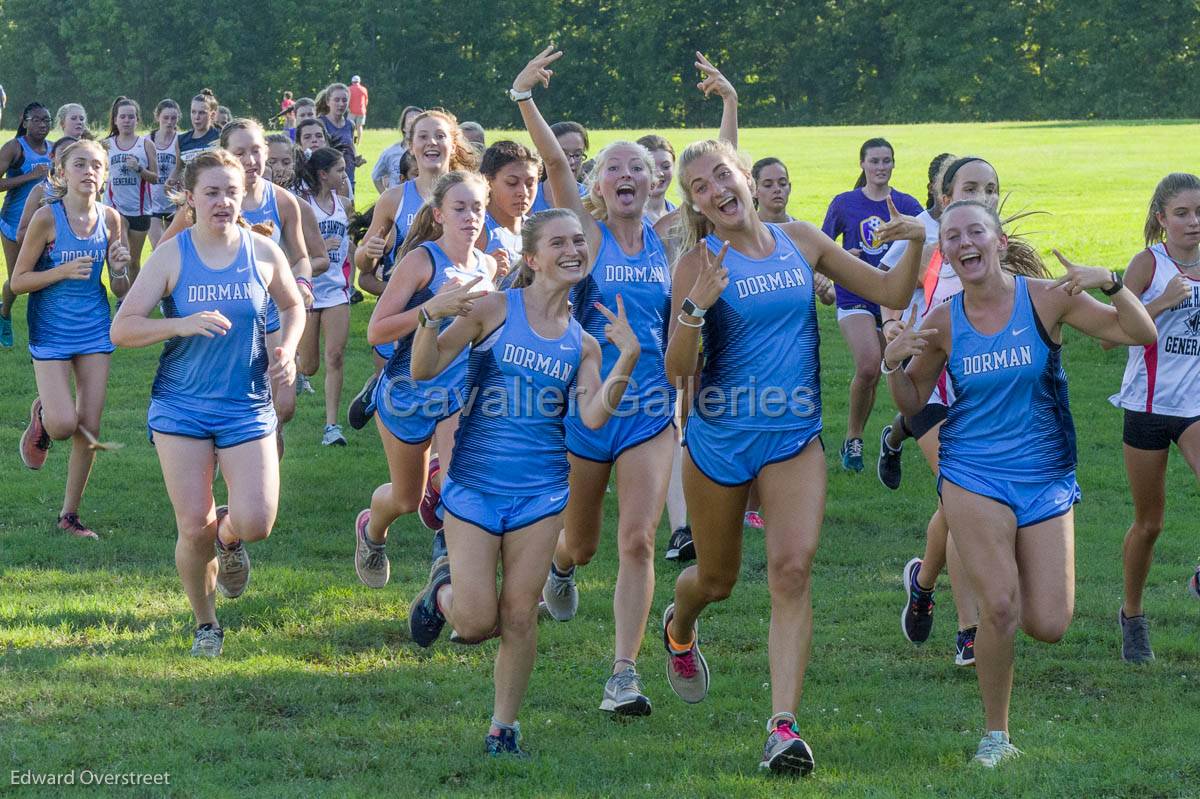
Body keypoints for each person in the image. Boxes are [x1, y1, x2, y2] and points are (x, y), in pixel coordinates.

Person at [661, 136, 928, 775]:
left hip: (793, 438)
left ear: (747, 177)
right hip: (720, 442)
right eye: (699, 187)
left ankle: (783, 729)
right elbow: (678, 372)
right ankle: (679, 624)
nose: (715, 191)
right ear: (694, 203)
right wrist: (698, 305)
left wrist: (916, 237)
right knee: (716, 580)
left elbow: (891, 290)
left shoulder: (801, 241)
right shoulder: (696, 262)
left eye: (721, 175)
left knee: (791, 570)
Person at [883, 199, 1156, 766]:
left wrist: (1109, 281)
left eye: (975, 232)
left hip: (1045, 475)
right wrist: (894, 364)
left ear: (999, 242)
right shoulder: (941, 321)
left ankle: (964, 591)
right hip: (972, 474)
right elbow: (913, 405)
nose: (964, 244)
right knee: (1001, 607)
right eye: (952, 236)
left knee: (1049, 623)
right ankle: (995, 737)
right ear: (947, 254)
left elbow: (1139, 331)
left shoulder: (1046, 299)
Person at [516, 47, 739, 719]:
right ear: (597, 184)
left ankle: (622, 673)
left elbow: (724, 176)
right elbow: (555, 165)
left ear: (652, 183)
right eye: (613, 167)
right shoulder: (582, 234)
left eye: (636, 168)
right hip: (588, 409)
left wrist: (730, 105)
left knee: (638, 539)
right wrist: (524, 97)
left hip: (650, 409)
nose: (626, 175)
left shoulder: (672, 237)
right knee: (579, 543)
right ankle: (560, 566)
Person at [404, 209, 640, 756]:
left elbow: (595, 417)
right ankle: (441, 594)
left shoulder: (584, 344)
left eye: (579, 241)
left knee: (519, 613)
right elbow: (425, 368)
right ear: (532, 258)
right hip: (474, 488)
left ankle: (503, 728)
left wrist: (626, 356)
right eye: (558, 242)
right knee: (476, 622)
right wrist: (427, 318)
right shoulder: (492, 310)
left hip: (542, 493)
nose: (573, 249)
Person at [110, 148, 304, 658]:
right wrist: (180, 323)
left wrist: (287, 346)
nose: (222, 202)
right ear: (190, 197)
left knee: (258, 521)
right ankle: (206, 624)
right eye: (211, 192)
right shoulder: (173, 255)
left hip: (246, 403)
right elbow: (124, 328)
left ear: (244, 197)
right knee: (193, 528)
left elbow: (292, 303)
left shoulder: (262, 251)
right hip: (182, 408)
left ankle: (232, 537)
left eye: (231, 192)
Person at [353, 170, 496, 590]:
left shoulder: (487, 265)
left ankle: (451, 582)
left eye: (478, 208)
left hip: (456, 395)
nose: (470, 216)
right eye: (460, 208)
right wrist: (434, 308)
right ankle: (371, 531)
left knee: (459, 486)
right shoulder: (421, 261)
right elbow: (376, 331)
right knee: (404, 498)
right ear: (438, 214)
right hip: (405, 395)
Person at [161, 119, 321, 456]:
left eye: (256, 151)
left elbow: (302, 257)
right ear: (225, 154)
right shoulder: (202, 203)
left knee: (285, 404)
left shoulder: (282, 201)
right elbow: (163, 257)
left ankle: (258, 465)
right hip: (220, 313)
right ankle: (230, 466)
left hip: (272, 311)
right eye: (240, 152)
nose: (250, 160)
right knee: (237, 404)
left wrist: (301, 282)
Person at [12, 138, 131, 538]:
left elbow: (120, 289)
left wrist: (118, 269)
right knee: (64, 424)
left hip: (95, 327)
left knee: (89, 427)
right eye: (79, 165)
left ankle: (69, 515)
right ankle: (44, 417)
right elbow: (18, 280)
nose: (89, 172)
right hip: (51, 329)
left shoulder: (112, 219)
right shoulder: (48, 217)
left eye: (96, 165)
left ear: (104, 174)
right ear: (62, 173)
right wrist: (60, 271)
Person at [1109, 172, 1200, 663]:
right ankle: (1132, 615)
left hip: (1196, 407)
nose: (1193, 222)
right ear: (1161, 218)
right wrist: (1162, 302)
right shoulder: (1148, 263)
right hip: (1147, 405)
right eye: (1182, 213)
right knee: (1150, 524)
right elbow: (1108, 335)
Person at [349, 109, 477, 432]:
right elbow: (365, 270)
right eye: (423, 136)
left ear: (454, 143)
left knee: (447, 426)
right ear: (410, 145)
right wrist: (367, 252)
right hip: (400, 319)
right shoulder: (394, 199)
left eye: (440, 136)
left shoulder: (470, 194)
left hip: (452, 321)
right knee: (405, 415)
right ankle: (378, 387)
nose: (432, 143)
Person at [821, 138, 924, 472]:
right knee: (869, 365)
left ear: (894, 165)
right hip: (854, 294)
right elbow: (822, 247)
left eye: (886, 161)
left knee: (895, 369)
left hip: (893, 297)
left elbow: (930, 241)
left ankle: (900, 435)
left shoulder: (907, 203)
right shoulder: (845, 203)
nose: (881, 167)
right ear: (862, 165)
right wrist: (842, 259)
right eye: (874, 161)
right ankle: (853, 440)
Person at [297, 146, 354, 446]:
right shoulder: (302, 204)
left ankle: (332, 426)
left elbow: (351, 247)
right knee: (310, 365)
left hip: (335, 290)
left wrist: (352, 278)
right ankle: (295, 369)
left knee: (335, 356)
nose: (344, 175)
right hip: (308, 289)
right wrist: (318, 246)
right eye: (340, 170)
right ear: (323, 174)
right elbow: (291, 247)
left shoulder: (345, 204)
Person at [0, 102, 54, 347]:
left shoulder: (53, 150)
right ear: (25, 121)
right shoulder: (14, 148)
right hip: (13, 224)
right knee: (17, 282)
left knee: (42, 278)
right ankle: (4, 312)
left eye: (46, 120)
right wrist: (30, 177)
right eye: (37, 119)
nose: (42, 124)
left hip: (43, 225)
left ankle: (42, 335)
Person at [103, 97, 158, 285]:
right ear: (116, 120)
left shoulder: (145, 144)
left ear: (137, 120)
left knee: (133, 261)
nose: (127, 121)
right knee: (117, 257)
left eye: (131, 117)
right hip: (113, 208)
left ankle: (131, 300)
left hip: (140, 210)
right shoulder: (106, 145)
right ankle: (120, 297)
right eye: (123, 117)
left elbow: (155, 177)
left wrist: (139, 169)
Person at [476, 140, 539, 284]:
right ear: (488, 181)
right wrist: (486, 269)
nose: (523, 192)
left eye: (530, 183)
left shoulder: (537, 229)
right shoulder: (477, 228)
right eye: (512, 183)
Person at [148, 100, 182, 247]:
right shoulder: (147, 141)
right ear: (157, 117)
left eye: (173, 118)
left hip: (174, 201)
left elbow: (185, 167)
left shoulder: (181, 140)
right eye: (165, 118)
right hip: (152, 202)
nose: (169, 122)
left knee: (172, 247)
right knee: (158, 247)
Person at [318, 83, 363, 188]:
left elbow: (350, 145)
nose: (341, 104)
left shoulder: (350, 124)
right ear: (328, 102)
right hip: (328, 179)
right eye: (337, 100)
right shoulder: (320, 123)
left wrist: (356, 158)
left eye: (344, 100)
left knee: (348, 204)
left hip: (348, 177)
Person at [371, 105, 423, 192]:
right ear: (403, 127)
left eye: (418, 122)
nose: (415, 126)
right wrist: (385, 197)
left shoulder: (429, 154)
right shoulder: (390, 153)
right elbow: (376, 176)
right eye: (411, 122)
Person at [172, 90, 221, 178]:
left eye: (201, 113)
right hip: (189, 190)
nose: (196, 117)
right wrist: (170, 181)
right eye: (193, 112)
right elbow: (178, 169)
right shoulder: (181, 140)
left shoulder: (220, 136)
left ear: (212, 115)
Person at [638, 134, 677, 224]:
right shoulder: (626, 218)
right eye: (651, 167)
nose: (659, 173)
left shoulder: (680, 216)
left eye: (666, 166)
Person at [348, 76, 368, 144]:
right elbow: (366, 101)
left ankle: (351, 141)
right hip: (361, 111)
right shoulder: (364, 89)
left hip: (351, 111)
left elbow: (347, 100)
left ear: (352, 81)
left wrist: (348, 108)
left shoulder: (349, 89)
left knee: (350, 126)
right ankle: (359, 142)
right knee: (359, 127)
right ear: (359, 81)